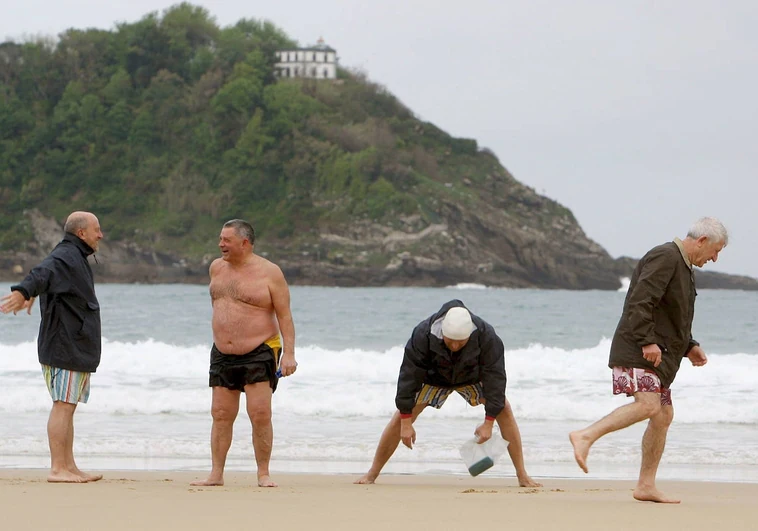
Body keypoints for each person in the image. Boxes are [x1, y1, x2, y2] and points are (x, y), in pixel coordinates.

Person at [569, 217, 728, 503]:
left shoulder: (684, 266)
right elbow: (640, 300)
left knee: (663, 414)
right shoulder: (666, 256)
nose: (715, 258)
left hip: (658, 355)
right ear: (702, 241)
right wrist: (646, 340)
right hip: (637, 349)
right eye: (715, 251)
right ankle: (585, 435)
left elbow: (673, 314)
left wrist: (690, 345)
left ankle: (645, 485)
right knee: (648, 404)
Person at [355, 299, 541, 487]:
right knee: (402, 416)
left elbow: (495, 379)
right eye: (450, 341)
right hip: (434, 378)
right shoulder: (423, 334)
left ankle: (522, 475)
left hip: (471, 377)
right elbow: (409, 376)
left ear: (470, 335)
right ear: (442, 331)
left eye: (460, 343)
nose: (454, 346)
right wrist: (406, 421)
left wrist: (488, 422)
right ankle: (372, 473)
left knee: (504, 408)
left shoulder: (487, 336)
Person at [191, 219, 297, 488]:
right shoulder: (216, 268)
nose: (220, 244)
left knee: (260, 413)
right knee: (220, 413)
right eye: (220, 239)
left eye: (226, 240)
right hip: (222, 352)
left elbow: (285, 316)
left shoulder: (269, 273)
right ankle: (216, 474)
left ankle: (263, 473)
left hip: (260, 349)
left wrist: (289, 354)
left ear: (245, 243)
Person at [0, 211, 104, 483]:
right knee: (62, 405)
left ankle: (69, 466)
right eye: (96, 229)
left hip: (74, 346)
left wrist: (36, 292)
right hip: (64, 346)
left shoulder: (75, 257)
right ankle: (58, 469)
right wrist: (24, 291)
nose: (100, 235)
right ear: (81, 233)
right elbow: (43, 272)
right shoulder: (67, 256)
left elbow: (49, 281)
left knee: (68, 405)